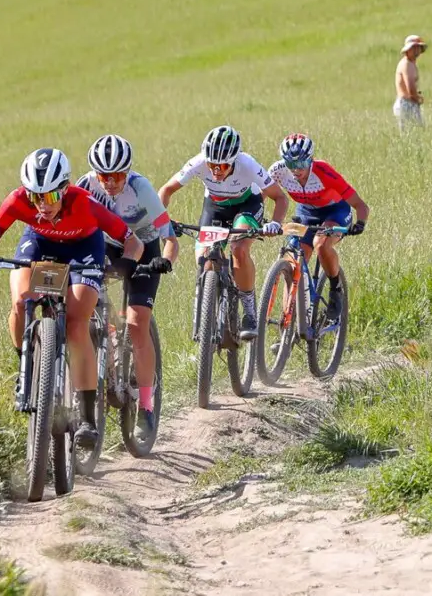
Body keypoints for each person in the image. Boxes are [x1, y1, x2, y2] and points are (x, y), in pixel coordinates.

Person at [0, 148, 144, 448]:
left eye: (50, 197)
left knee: (76, 322)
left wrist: (127, 263)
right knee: (21, 301)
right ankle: (26, 365)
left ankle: (86, 417)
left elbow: (132, 242)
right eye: (35, 197)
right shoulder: (18, 200)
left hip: (83, 248)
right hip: (39, 242)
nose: (42, 205)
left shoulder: (85, 204)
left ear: (64, 189)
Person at [76, 133, 177, 435]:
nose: (110, 182)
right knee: (87, 307)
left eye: (118, 175)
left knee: (136, 323)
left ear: (128, 170)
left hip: (144, 249)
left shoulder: (141, 189)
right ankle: (102, 358)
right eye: (104, 175)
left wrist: (166, 261)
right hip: (105, 246)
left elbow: (170, 238)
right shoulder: (84, 186)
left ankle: (146, 407)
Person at [157, 125, 289, 340]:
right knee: (203, 258)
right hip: (215, 206)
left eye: (223, 165)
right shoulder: (199, 161)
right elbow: (166, 190)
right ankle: (210, 305)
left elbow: (280, 197)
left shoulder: (248, 164)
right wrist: (162, 221)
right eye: (212, 165)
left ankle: (249, 311)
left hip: (247, 204)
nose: (216, 170)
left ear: (234, 160)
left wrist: (275, 222)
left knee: (239, 249)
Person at [269, 134, 369, 320]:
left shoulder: (324, 172)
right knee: (294, 261)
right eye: (291, 164)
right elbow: (260, 196)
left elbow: (360, 205)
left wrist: (360, 223)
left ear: (311, 159)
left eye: (301, 164)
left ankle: (335, 288)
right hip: (306, 213)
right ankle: (288, 324)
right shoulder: (277, 171)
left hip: (335, 212)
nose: (296, 170)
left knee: (321, 244)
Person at [394, 35, 427, 131]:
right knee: (415, 133)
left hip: (408, 103)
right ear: (408, 50)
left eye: (418, 47)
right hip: (406, 104)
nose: (417, 50)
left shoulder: (410, 64)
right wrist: (418, 98)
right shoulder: (406, 65)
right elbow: (411, 88)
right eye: (414, 47)